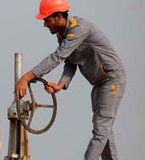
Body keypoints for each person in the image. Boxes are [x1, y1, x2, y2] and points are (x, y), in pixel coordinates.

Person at [15, 0, 126, 159]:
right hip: (99, 83)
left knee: (100, 130)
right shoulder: (63, 35)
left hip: (111, 81)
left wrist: (26, 77)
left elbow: (57, 57)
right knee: (104, 130)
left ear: (59, 17)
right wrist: (61, 84)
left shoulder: (79, 28)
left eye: (46, 19)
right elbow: (70, 62)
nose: (45, 24)